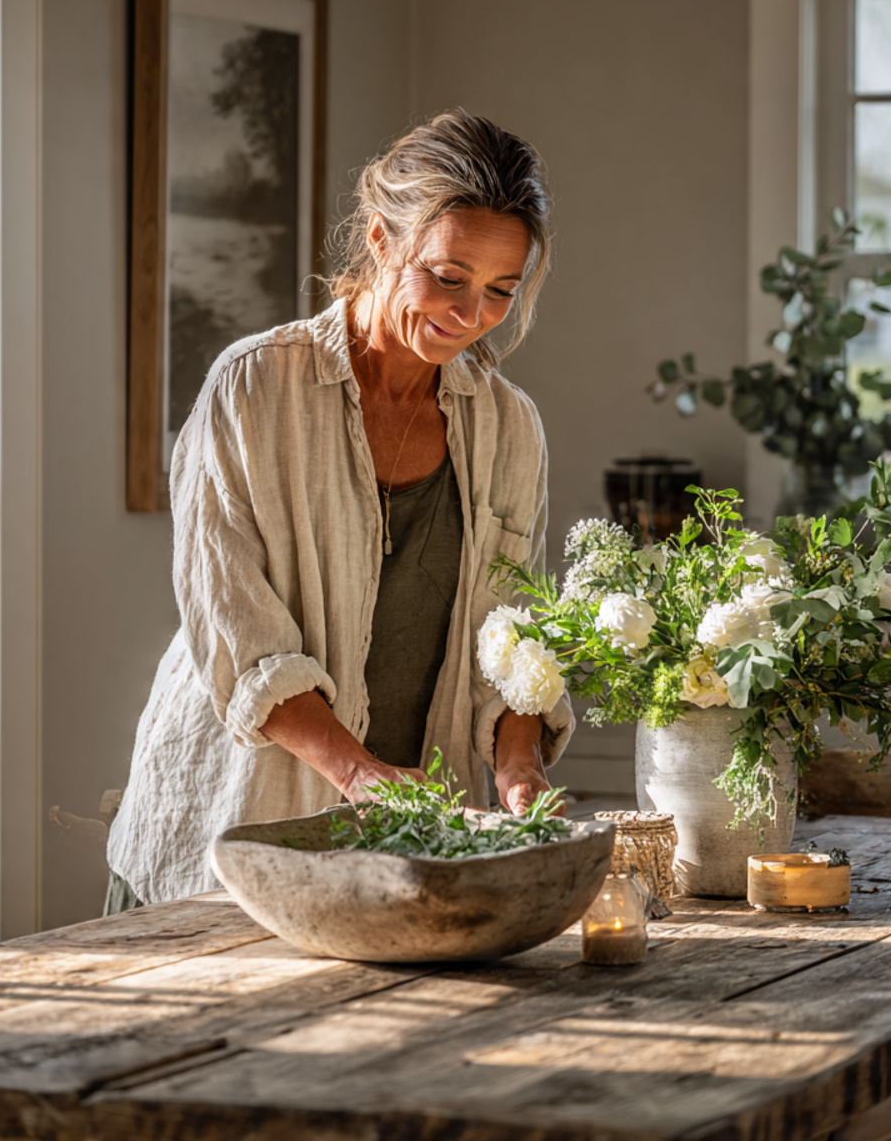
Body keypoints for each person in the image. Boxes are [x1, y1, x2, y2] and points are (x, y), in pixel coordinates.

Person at [106, 110, 573, 909]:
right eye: (449, 277)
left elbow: (512, 640)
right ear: (382, 239)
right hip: (239, 834)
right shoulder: (253, 390)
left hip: (409, 852)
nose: (472, 315)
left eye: (502, 289)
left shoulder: (509, 426)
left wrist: (518, 765)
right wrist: (359, 775)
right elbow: (237, 634)